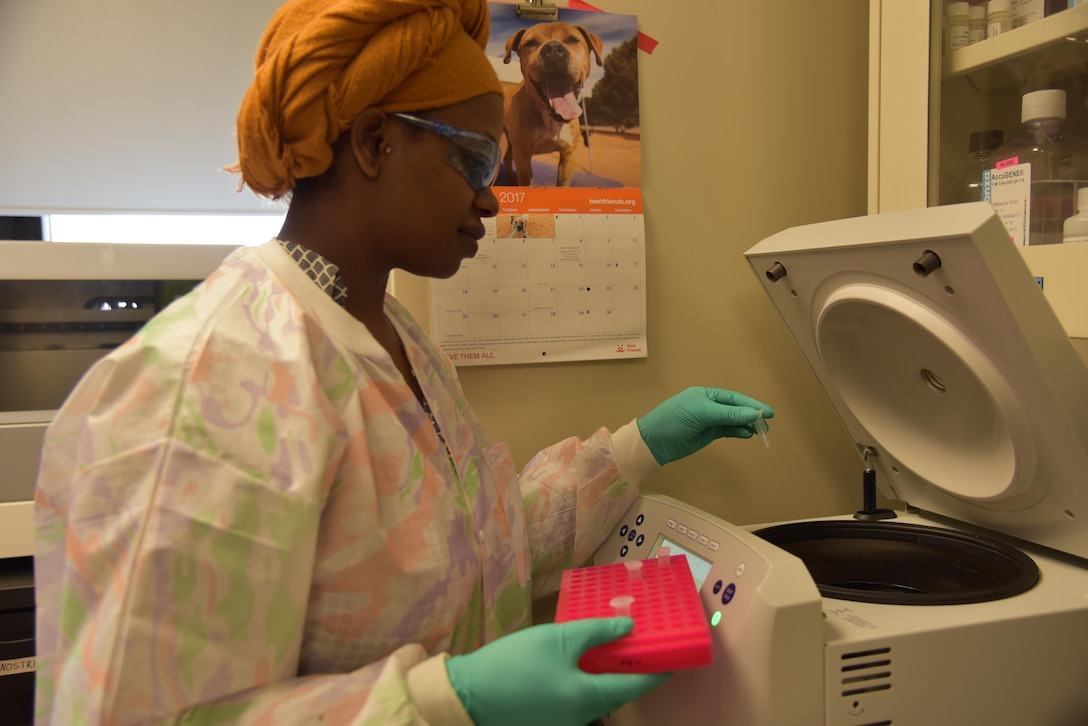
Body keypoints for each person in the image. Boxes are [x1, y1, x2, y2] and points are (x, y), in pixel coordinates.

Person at [32, 0, 774, 723]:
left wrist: (637, 446)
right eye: (478, 157)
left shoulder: (394, 338)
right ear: (375, 143)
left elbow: (478, 547)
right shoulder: (204, 384)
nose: (493, 198)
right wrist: (442, 702)